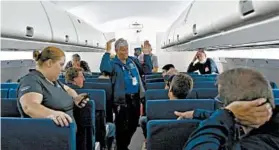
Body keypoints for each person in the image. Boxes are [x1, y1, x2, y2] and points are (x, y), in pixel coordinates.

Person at [174, 68, 279, 149]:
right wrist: (195, 114)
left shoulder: (260, 145)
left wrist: (226, 113)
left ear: (242, 108)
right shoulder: (272, 122)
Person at [99, 38, 152, 150]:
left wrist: (146, 55)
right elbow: (104, 68)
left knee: (133, 124)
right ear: (117, 50)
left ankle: (123, 145)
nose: (126, 52)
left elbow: (147, 71)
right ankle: (121, 147)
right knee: (122, 127)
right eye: (123, 50)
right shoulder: (113, 63)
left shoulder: (133, 61)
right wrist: (107, 52)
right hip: (121, 100)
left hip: (135, 98)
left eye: (127, 49)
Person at [17, 46, 89, 128]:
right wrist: (52, 114)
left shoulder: (52, 80)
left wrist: (75, 98)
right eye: (61, 64)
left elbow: (68, 89)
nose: (62, 69)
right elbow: (29, 106)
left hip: (69, 136)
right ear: (49, 63)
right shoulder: (31, 80)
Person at [65, 67, 115, 149]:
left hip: (69, 139)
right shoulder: (87, 98)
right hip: (88, 137)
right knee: (112, 126)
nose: (84, 79)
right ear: (74, 79)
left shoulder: (60, 95)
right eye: (81, 77)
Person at [140, 73, 194, 148]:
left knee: (142, 120)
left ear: (170, 90)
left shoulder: (154, 108)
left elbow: (143, 122)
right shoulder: (195, 110)